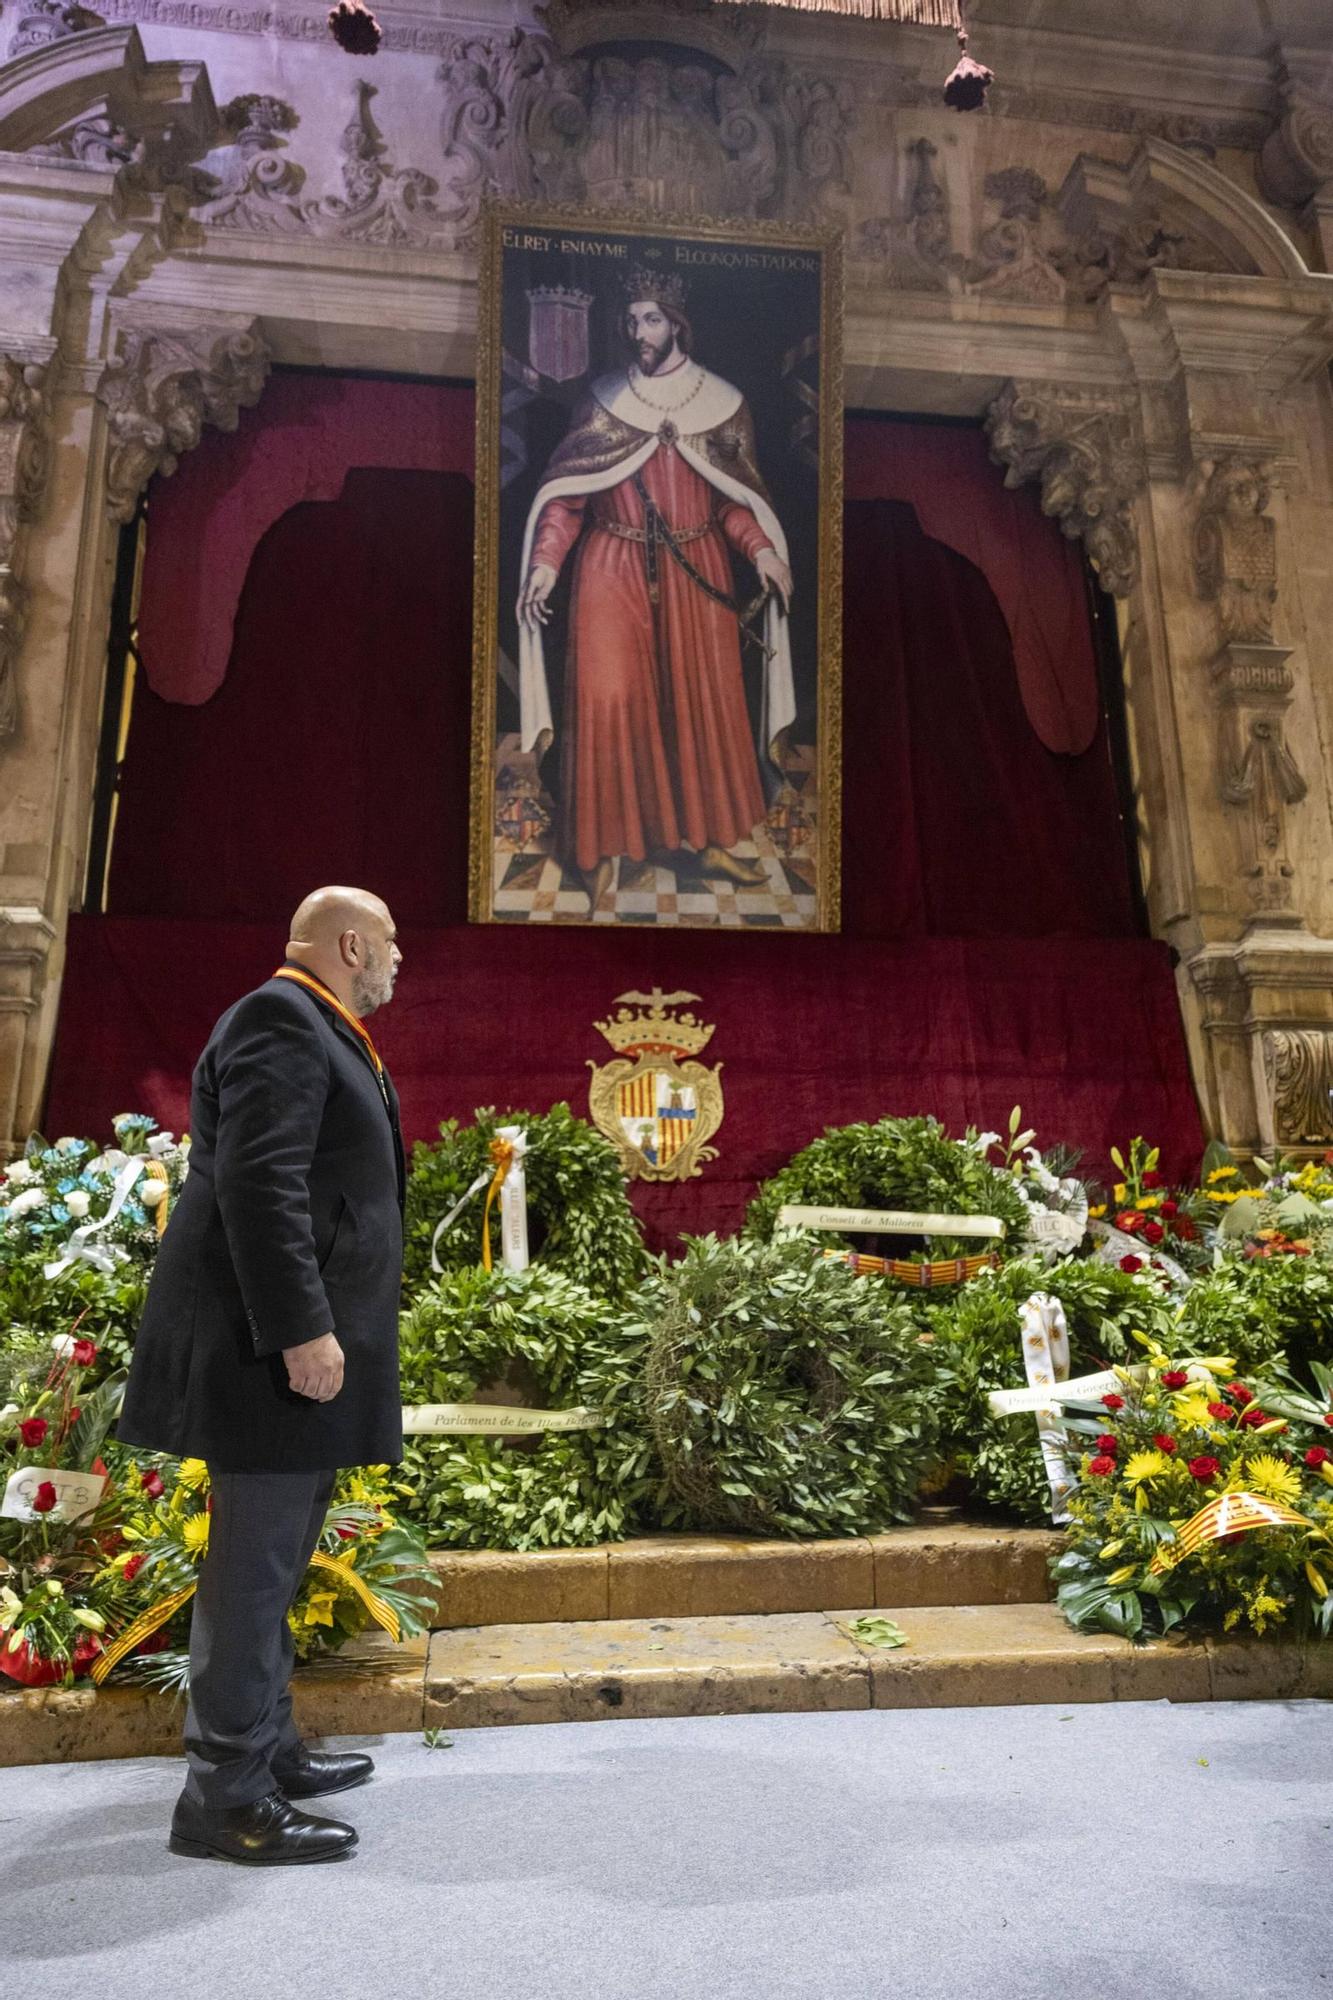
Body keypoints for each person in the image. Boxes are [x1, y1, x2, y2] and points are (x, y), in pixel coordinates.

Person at [117, 887, 405, 1866]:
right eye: (391, 942)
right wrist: (302, 1329)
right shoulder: (282, 1015)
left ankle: (267, 1747)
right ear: (352, 942)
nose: (398, 960)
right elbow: (260, 1177)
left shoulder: (318, 1025)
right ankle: (224, 1794)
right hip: (266, 1349)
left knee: (273, 1562)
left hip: (288, 1346)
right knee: (252, 1569)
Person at [515, 266, 796, 910]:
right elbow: (567, 500)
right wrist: (546, 564)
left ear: (677, 326)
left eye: (650, 319)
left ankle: (707, 840)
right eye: (633, 319)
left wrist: (763, 554)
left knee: (703, 709)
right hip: (609, 565)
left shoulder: (721, 401)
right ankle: (600, 851)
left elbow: (734, 504)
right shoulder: (604, 398)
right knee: (609, 703)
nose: (637, 330)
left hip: (696, 566)